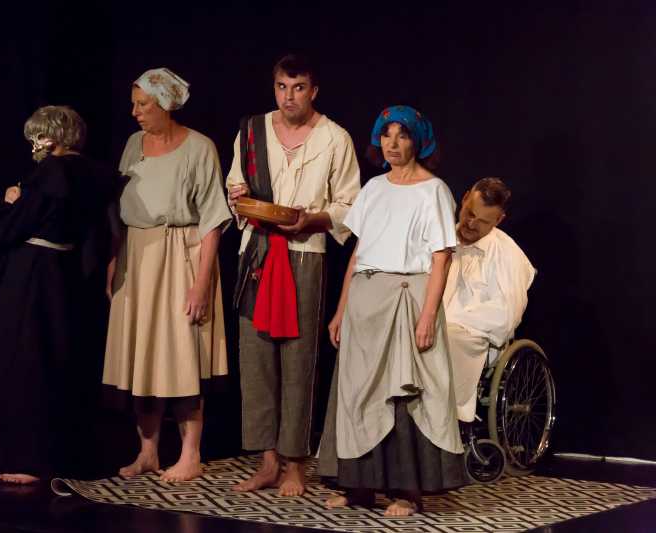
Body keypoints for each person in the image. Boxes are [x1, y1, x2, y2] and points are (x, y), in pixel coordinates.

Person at [0, 105, 122, 484]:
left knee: (24, 362)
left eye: (38, 136)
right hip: (66, 273)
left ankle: (27, 456)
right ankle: (57, 451)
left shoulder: (53, 172)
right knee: (55, 359)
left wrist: (7, 205)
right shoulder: (94, 173)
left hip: (31, 276)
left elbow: (9, 227)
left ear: (51, 138)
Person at [320, 105, 465, 516]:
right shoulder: (373, 188)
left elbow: (441, 258)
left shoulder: (434, 190)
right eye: (387, 135)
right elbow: (358, 252)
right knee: (357, 394)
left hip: (406, 296)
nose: (393, 143)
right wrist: (340, 309)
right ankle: (359, 487)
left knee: (401, 393)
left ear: (418, 141)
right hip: (366, 299)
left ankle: (406, 491)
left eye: (403, 135)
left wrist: (427, 315)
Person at [226, 54, 360, 496]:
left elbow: (349, 205)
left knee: (299, 359)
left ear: (313, 91)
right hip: (257, 252)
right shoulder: (252, 131)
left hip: (304, 254)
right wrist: (238, 196)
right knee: (256, 358)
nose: (289, 96)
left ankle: (296, 463)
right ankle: (267, 461)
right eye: (282, 87)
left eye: (298, 88)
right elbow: (234, 185)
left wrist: (312, 219)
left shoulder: (335, 138)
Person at [102, 68, 231, 483]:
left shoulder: (200, 148)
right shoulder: (132, 145)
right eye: (134, 104)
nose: (135, 112)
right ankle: (148, 452)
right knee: (143, 354)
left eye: (143, 104)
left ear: (166, 104)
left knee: (182, 355)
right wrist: (115, 257)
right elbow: (120, 207)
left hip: (181, 255)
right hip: (138, 255)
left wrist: (202, 281)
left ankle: (190, 454)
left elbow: (213, 219)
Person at [444, 178, 536, 423]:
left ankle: (442, 420)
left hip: (473, 336)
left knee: (445, 339)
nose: (471, 223)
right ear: (464, 198)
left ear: (499, 220)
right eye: (469, 213)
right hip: (428, 323)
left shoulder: (507, 254)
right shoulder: (439, 239)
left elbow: (505, 316)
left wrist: (443, 320)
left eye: (483, 221)